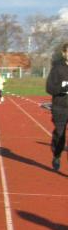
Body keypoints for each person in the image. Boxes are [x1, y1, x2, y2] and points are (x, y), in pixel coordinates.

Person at [46, 42, 68, 171]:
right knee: (60, 135)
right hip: (60, 107)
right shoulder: (57, 68)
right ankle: (57, 155)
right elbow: (49, 88)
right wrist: (62, 88)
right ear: (64, 53)